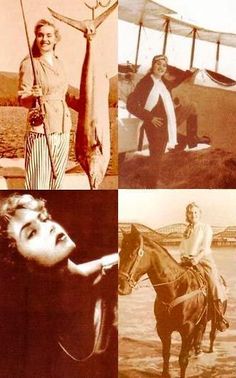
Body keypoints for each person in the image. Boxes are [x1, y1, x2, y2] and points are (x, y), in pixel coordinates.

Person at [0, 193, 117, 377]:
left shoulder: (116, 275)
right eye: (31, 233)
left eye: (44, 219)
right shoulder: (35, 339)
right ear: (19, 264)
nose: (50, 228)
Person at [126, 54, 210, 188]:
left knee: (191, 106)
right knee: (156, 158)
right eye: (158, 64)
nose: (161, 67)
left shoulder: (162, 82)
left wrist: (190, 72)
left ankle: (192, 138)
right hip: (156, 125)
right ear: (152, 65)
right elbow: (131, 104)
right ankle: (150, 186)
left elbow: (175, 82)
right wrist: (150, 117)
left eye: (164, 65)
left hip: (169, 120)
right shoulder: (145, 82)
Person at [18, 19, 79, 190]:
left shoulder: (60, 63)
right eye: (40, 35)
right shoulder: (30, 63)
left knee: (56, 180)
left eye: (49, 35)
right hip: (40, 129)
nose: (45, 39)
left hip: (63, 127)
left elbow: (63, 94)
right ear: (36, 38)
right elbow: (22, 98)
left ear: (56, 38)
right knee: (39, 182)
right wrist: (32, 94)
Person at [179, 202, 229, 332]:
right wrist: (184, 256)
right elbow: (183, 247)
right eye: (190, 212)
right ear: (187, 215)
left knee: (213, 284)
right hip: (187, 260)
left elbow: (206, 247)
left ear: (200, 214)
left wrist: (196, 258)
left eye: (196, 212)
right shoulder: (186, 230)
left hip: (203, 260)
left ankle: (219, 316)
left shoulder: (205, 228)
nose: (193, 215)